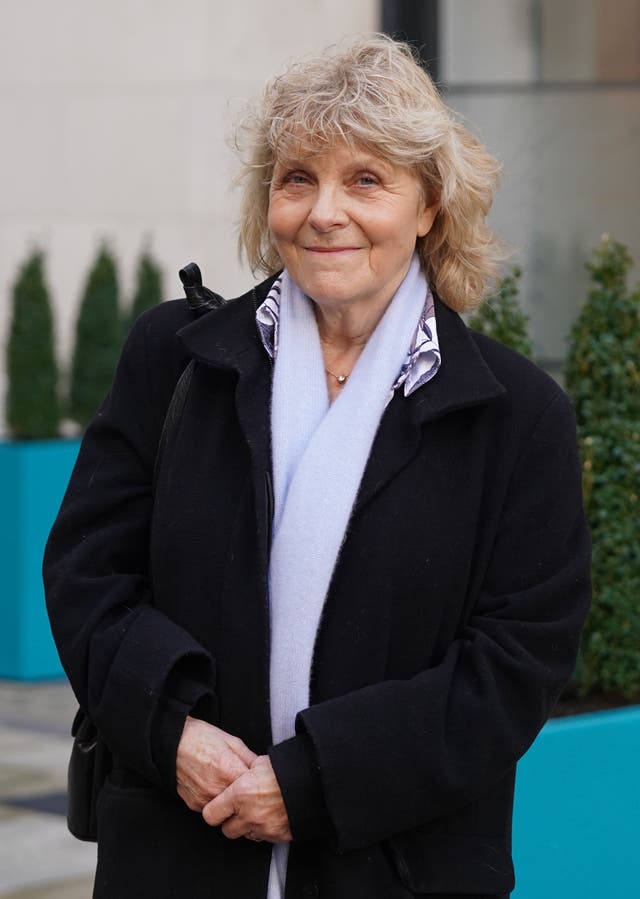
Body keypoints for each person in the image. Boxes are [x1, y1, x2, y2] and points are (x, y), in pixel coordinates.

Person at [44, 35, 590, 899]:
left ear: (430, 206)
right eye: (297, 178)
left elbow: (515, 661)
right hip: (179, 853)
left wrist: (313, 782)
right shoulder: (173, 360)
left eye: (366, 180)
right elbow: (88, 575)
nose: (323, 211)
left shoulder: (517, 416)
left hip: (398, 868)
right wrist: (169, 726)